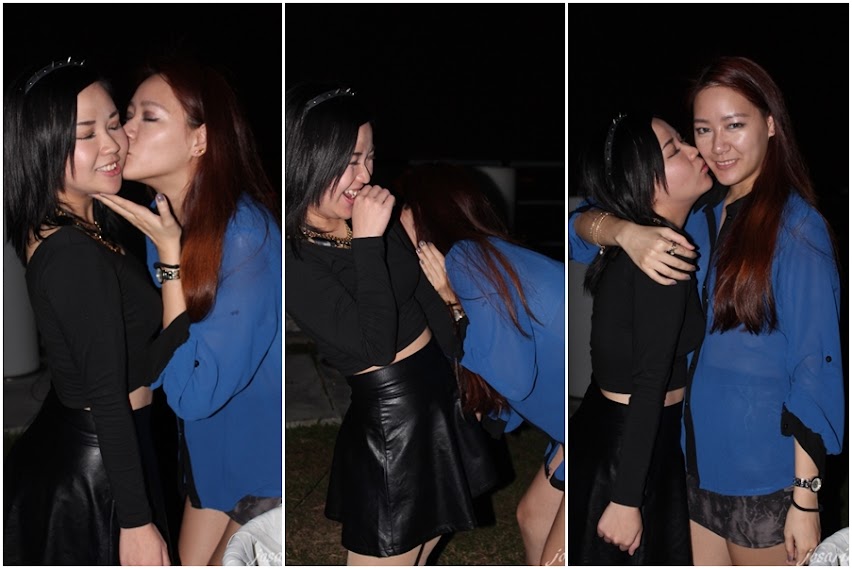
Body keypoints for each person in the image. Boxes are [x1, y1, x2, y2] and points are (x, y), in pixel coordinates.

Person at [568, 57, 845, 566]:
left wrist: (806, 498)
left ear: (770, 124)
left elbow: (816, 367)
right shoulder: (698, 213)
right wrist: (624, 231)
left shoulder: (797, 229)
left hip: (764, 479)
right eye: (702, 129)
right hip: (690, 465)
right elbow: (577, 228)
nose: (716, 146)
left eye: (734, 125)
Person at [285, 83, 496, 566]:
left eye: (370, 157)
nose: (365, 175)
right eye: (350, 160)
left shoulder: (372, 214)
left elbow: (420, 296)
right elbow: (375, 346)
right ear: (310, 158)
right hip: (391, 422)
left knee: (425, 548)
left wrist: (467, 373)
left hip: (439, 396)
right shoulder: (296, 259)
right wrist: (367, 240)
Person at [96, 57, 282, 566]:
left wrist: (171, 264)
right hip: (213, 457)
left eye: (148, 117)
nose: (125, 132)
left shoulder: (243, 236)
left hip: (265, 466)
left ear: (200, 140)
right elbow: (162, 355)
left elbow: (192, 394)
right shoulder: (167, 226)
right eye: (127, 115)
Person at [3, 59, 171, 565]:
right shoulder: (72, 252)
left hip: (102, 446)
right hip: (99, 473)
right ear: (44, 146)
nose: (113, 144)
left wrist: (171, 253)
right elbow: (107, 395)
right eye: (86, 134)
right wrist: (136, 523)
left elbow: (138, 362)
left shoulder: (83, 224)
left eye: (114, 124)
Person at [394, 163, 566, 565]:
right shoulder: (483, 254)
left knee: (556, 558)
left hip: (610, 420)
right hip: (581, 420)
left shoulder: (467, 259)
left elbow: (512, 377)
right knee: (533, 518)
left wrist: (452, 303)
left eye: (402, 210)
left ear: (426, 211)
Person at [567, 112, 711, 565]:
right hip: (633, 445)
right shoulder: (660, 254)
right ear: (645, 183)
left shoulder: (645, 243)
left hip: (620, 433)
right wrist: (627, 499)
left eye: (683, 140)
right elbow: (649, 381)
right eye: (675, 149)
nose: (695, 150)